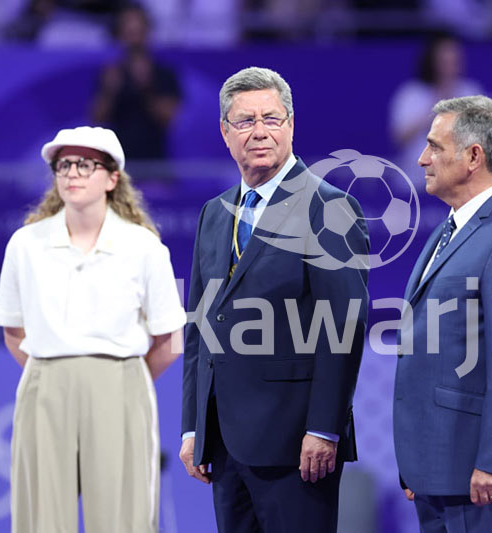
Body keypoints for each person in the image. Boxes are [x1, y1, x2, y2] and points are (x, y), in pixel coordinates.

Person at [178, 66, 369, 533]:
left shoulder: (328, 207)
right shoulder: (214, 214)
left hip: (296, 444)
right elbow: (200, 327)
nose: (259, 132)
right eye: (245, 121)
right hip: (223, 443)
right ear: (225, 132)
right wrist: (192, 427)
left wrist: (324, 428)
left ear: (291, 125)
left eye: (271, 118)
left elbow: (343, 329)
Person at [0, 126, 186, 533]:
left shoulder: (143, 247)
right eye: (63, 165)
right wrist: (53, 369)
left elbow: (170, 338)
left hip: (121, 381)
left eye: (84, 164)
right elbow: (13, 329)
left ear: (112, 177)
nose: (72, 173)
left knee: (123, 517)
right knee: (42, 515)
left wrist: (120, 379)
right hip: (44, 383)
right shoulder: (25, 244)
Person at [393, 95, 492, 533]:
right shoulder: (452, 228)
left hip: (483, 478)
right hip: (443, 468)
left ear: (473, 157)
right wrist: (419, 462)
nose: (423, 158)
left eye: (435, 147)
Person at [91, 4, 181, 164]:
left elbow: (169, 119)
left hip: (155, 164)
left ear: (147, 33)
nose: (134, 38)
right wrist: (109, 91)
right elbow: (97, 119)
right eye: (128, 32)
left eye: (138, 31)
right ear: (120, 35)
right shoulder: (111, 74)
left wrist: (146, 87)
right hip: (118, 164)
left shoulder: (164, 74)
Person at [389, 33, 483, 184]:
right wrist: (436, 107)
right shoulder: (412, 93)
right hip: (416, 176)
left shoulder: (470, 91)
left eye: (453, 59)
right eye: (443, 60)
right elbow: (401, 137)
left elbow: (481, 136)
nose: (449, 65)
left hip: (459, 180)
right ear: (432, 61)